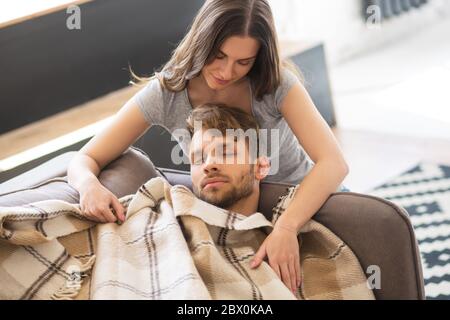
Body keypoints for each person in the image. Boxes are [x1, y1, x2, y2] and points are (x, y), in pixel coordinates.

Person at [67, 0, 349, 292]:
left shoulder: (275, 85)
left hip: (307, 206)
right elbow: (85, 157)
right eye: (218, 55)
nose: (227, 71)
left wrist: (287, 227)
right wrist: (89, 186)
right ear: (202, 41)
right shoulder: (168, 93)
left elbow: (333, 163)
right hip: (233, 220)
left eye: (244, 62)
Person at [186, 103, 299, 295]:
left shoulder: (287, 247)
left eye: (226, 152)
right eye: (198, 158)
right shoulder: (171, 216)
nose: (209, 164)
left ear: (260, 167)